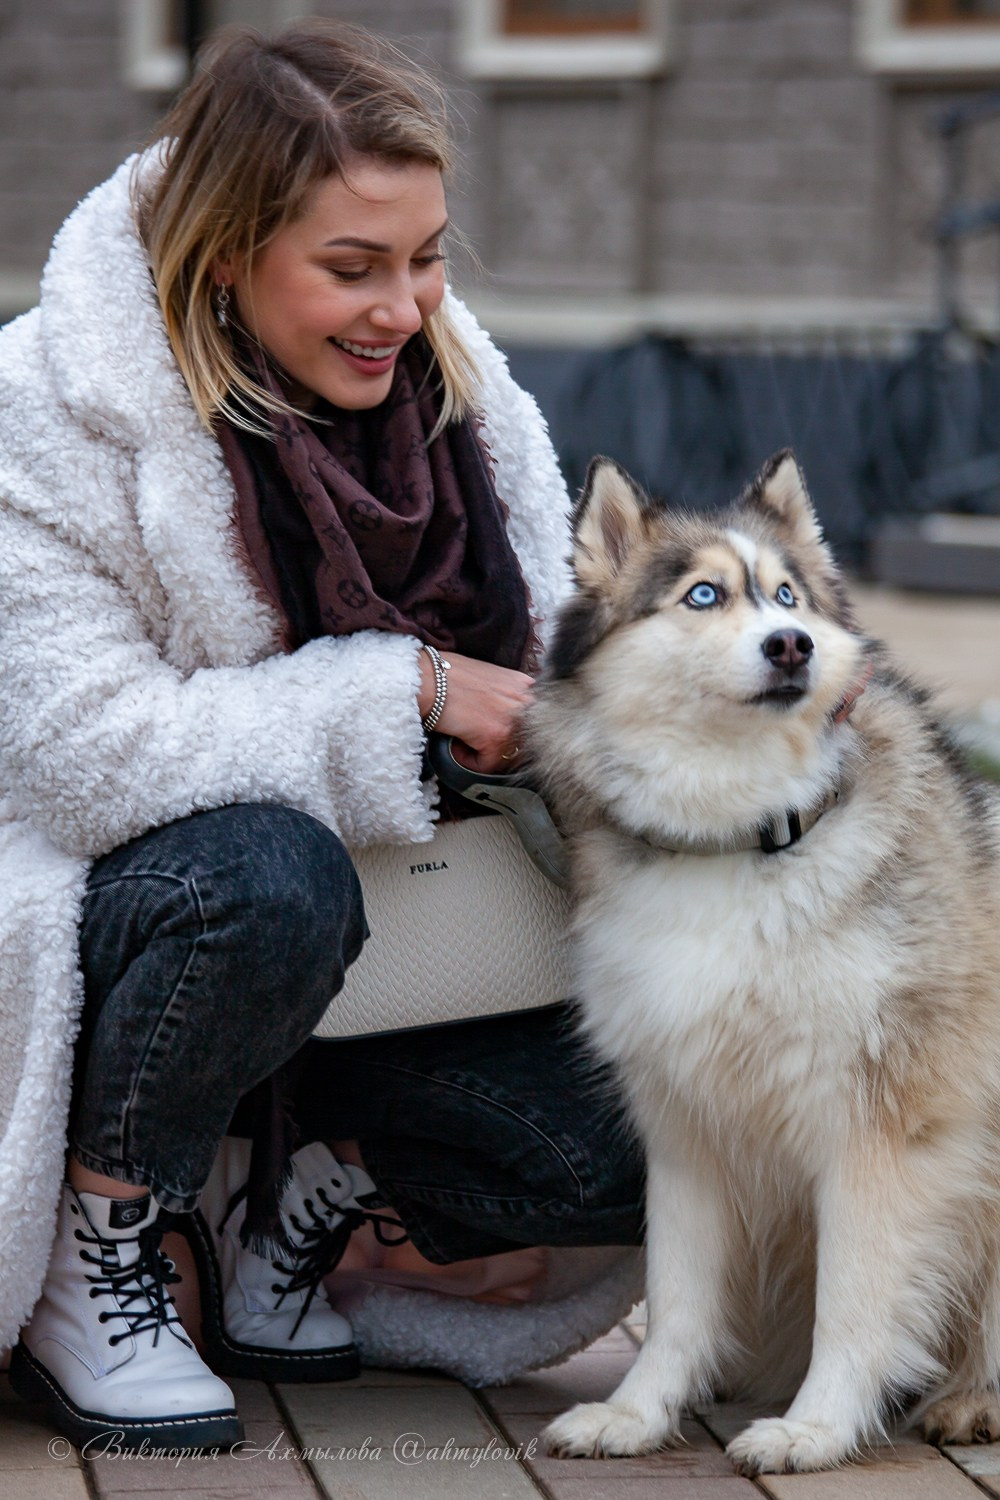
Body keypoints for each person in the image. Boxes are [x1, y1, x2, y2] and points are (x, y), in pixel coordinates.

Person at [0, 19, 643, 1454]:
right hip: (155, 928)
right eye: (353, 268)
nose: (407, 308)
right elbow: (82, 755)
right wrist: (403, 693)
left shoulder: (468, 408)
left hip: (412, 954)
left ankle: (295, 1190)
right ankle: (99, 1240)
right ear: (225, 253)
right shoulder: (47, 401)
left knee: (664, 1119)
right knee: (270, 874)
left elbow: (571, 658)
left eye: (425, 257)